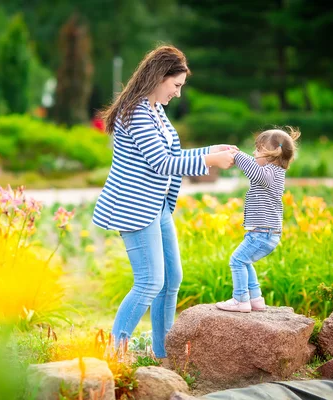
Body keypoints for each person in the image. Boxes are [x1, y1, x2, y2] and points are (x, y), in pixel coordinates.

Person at [92, 45, 238, 360]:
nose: (178, 94)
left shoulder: (154, 108)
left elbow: (170, 153)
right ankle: (113, 355)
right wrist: (210, 159)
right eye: (176, 86)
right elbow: (161, 162)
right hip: (134, 208)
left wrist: (210, 149)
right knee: (149, 282)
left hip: (155, 206)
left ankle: (162, 353)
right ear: (159, 77)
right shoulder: (135, 112)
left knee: (172, 279)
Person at [216, 126, 301, 313]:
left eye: (257, 149)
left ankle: (240, 300)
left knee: (236, 261)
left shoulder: (269, 174)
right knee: (245, 261)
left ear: (271, 154)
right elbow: (256, 169)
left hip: (262, 233)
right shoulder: (274, 173)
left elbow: (254, 170)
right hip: (265, 233)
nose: (254, 153)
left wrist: (237, 155)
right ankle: (255, 299)